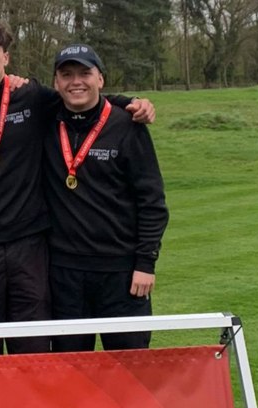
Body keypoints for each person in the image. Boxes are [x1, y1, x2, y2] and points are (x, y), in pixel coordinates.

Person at [0, 16, 154, 356]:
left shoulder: (32, 96)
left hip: (30, 246)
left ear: (6, 57)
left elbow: (83, 97)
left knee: (34, 350)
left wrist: (133, 103)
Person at [43, 44, 168, 351]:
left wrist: (146, 263)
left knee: (130, 370)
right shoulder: (45, 119)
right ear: (56, 82)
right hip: (64, 275)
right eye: (67, 74)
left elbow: (152, 201)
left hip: (122, 274)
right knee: (71, 371)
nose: (76, 81)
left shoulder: (128, 125)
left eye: (85, 73)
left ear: (101, 79)